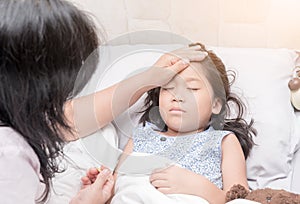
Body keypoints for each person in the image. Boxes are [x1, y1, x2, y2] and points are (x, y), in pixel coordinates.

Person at [0, 0, 207, 203]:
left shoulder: (16, 130)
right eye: (71, 73)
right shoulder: (10, 154)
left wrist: (147, 79)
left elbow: (69, 118)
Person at [83, 43, 257, 204]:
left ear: (216, 104)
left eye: (192, 88)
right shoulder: (141, 137)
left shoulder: (223, 141)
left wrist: (198, 186)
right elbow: (118, 192)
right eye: (168, 88)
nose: (177, 96)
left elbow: (239, 199)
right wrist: (100, 189)